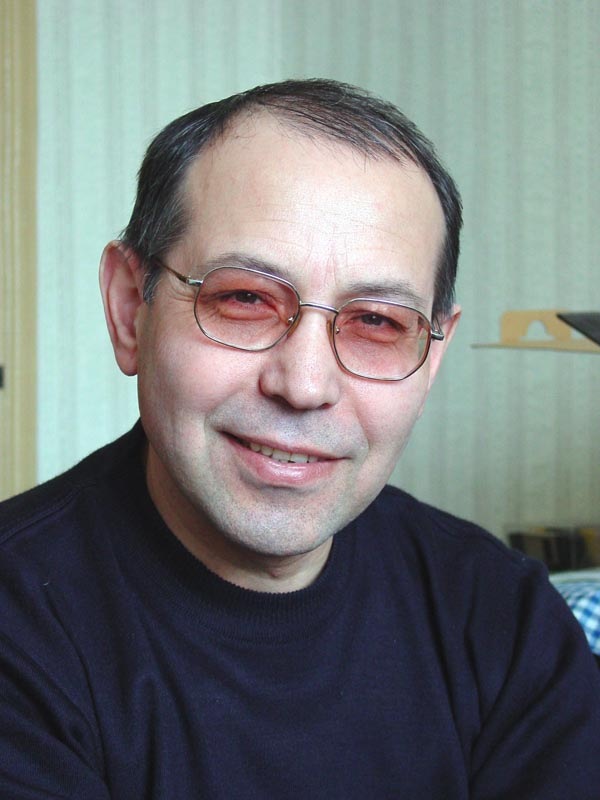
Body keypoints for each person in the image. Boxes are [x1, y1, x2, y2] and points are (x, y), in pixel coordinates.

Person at [0, 79, 598, 799]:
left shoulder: (503, 616)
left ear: (432, 355)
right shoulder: (18, 626)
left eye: (377, 321)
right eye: (244, 298)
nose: (305, 384)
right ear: (132, 309)